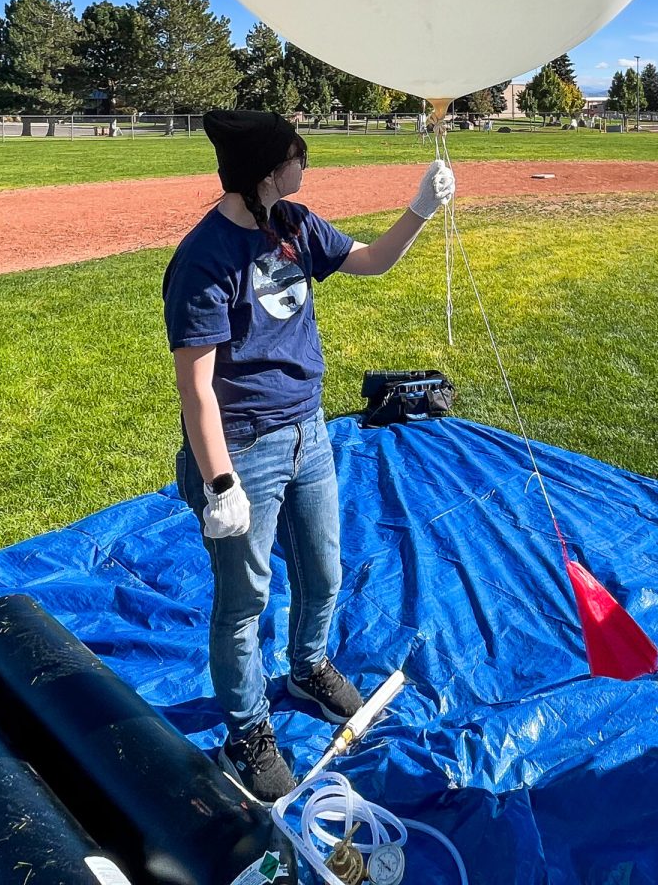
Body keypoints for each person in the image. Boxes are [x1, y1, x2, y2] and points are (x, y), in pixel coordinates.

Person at [164, 109, 455, 801]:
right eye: (297, 157)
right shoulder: (204, 259)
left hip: (308, 434)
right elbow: (196, 389)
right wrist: (221, 484)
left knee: (324, 573)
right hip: (242, 451)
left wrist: (420, 209)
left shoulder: (293, 224)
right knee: (244, 602)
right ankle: (246, 728)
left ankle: (308, 667)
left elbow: (373, 261)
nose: (306, 167)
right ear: (267, 171)